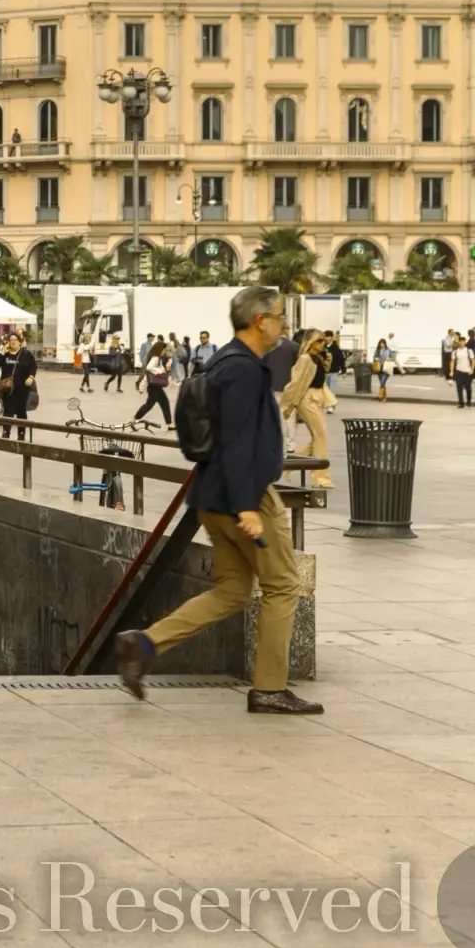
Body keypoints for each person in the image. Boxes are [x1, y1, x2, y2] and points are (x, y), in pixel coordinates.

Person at [114, 286, 321, 715]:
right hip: (243, 496)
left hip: (212, 493)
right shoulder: (244, 370)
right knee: (283, 585)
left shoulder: (223, 360)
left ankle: (146, 643)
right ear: (260, 320)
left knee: (231, 591)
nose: (284, 325)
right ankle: (269, 688)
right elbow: (238, 440)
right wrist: (248, 505)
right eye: (280, 316)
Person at [280, 330, 335, 489]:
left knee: (318, 438)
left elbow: (320, 378)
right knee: (321, 436)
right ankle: (320, 477)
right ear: (310, 342)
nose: (322, 345)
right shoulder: (304, 359)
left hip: (318, 398)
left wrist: (327, 362)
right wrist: (288, 405)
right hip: (307, 399)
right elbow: (295, 383)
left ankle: (287, 465)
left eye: (323, 342)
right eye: (319, 341)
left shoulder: (318, 358)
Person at [0, 332, 37, 439]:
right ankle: (6, 432)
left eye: (15, 339)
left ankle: (21, 434)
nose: (12, 342)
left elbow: (33, 367)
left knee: (21, 412)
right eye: (10, 340)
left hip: (22, 388)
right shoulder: (5, 354)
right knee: (7, 411)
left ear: (19, 342)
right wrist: (2, 352)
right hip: (8, 389)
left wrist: (31, 377)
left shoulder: (26, 354)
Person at [132, 338, 175, 428]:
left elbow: (147, 374)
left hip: (153, 387)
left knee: (152, 405)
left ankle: (134, 419)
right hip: (155, 387)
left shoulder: (155, 357)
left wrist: (142, 387)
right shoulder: (156, 358)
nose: (164, 351)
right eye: (164, 349)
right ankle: (170, 424)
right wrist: (160, 372)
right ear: (160, 349)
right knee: (161, 404)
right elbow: (149, 368)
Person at [451, 333, 475, 408]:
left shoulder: (469, 351)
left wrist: (472, 369)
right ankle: (461, 403)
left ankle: (468, 401)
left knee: (468, 388)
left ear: (465, 342)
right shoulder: (455, 352)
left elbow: (473, 360)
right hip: (459, 371)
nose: (461, 343)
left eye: (463, 341)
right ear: (458, 342)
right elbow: (452, 362)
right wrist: (452, 371)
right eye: (460, 341)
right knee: (459, 388)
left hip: (467, 372)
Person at [372, 337, 394, 401]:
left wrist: (388, 359)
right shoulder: (377, 350)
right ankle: (385, 397)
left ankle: (380, 396)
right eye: (380, 343)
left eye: (383, 343)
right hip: (379, 368)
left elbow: (393, 358)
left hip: (386, 368)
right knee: (382, 383)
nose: (381, 344)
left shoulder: (388, 351)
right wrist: (375, 358)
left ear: (385, 344)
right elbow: (374, 357)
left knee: (382, 382)